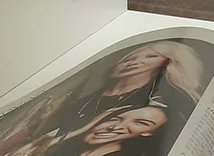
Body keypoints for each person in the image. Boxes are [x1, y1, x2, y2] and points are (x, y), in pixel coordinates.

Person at [47, 42, 205, 138]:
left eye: (151, 57)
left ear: (170, 64)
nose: (135, 62)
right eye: (129, 59)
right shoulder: (84, 99)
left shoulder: (162, 104)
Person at [45, 106, 169, 155]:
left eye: (140, 123)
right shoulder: (72, 147)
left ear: (148, 133)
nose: (115, 127)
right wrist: (83, 129)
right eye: (114, 119)